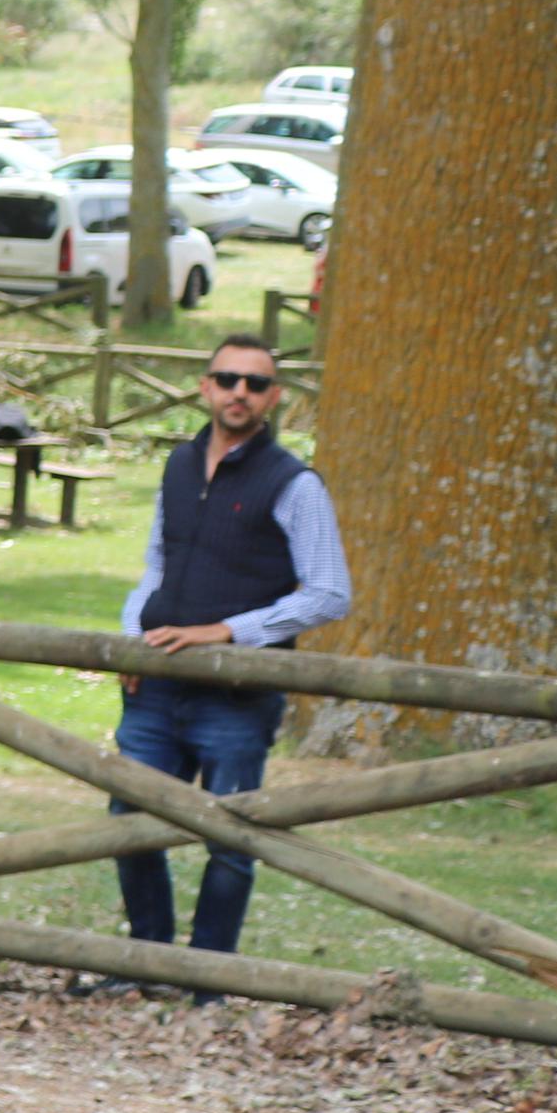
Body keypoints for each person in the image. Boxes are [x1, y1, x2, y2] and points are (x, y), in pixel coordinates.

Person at [111, 334, 348, 961]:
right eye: (227, 378)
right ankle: (147, 960)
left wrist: (228, 632)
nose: (239, 391)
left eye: (255, 383)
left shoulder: (295, 483)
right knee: (129, 826)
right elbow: (156, 564)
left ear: (274, 397)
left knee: (231, 841)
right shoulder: (179, 465)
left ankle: (206, 978)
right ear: (205, 387)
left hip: (237, 699)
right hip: (155, 685)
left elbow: (329, 593)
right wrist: (133, 640)